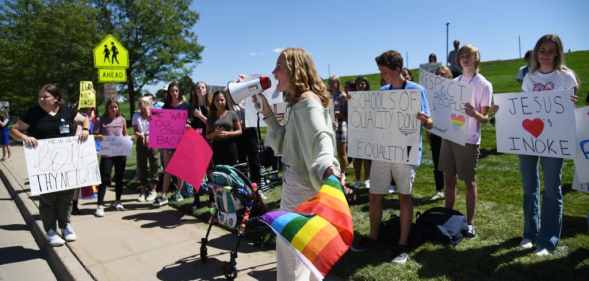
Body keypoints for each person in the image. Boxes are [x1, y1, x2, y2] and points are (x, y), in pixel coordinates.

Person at [255, 48, 342, 281]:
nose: (274, 72)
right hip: (300, 186)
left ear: (294, 70)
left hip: (301, 191)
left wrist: (329, 169)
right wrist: (266, 110)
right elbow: (286, 143)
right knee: (306, 256)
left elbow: (322, 139)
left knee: (291, 256)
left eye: (279, 67)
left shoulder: (307, 103)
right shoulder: (298, 103)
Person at [351, 50, 433, 265]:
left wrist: (424, 120)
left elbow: (430, 122)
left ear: (398, 70)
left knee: (404, 196)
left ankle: (403, 244)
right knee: (375, 195)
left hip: (405, 153)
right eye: (381, 72)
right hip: (383, 151)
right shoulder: (383, 91)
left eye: (385, 72)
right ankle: (373, 237)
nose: (383, 76)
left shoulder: (417, 90)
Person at [517, 34, 578, 255]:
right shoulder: (529, 78)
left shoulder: (566, 77)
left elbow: (570, 112)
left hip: (554, 139)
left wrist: (571, 104)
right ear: (536, 52)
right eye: (541, 50)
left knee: (552, 188)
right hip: (529, 139)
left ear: (557, 53)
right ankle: (529, 234)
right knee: (529, 186)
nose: (545, 55)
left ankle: (548, 239)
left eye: (550, 51)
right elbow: (522, 108)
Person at [11, 83, 89, 246]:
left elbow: (84, 119)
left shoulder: (66, 110)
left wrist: (85, 130)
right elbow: (15, 130)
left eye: (45, 96)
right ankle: (50, 230)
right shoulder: (33, 113)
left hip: (67, 161)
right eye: (40, 96)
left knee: (67, 196)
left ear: (56, 98)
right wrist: (24, 137)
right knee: (48, 198)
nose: (41, 99)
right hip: (43, 162)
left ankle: (65, 225)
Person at [440, 44, 493, 239]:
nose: (464, 57)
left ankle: (470, 223)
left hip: (469, 139)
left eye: (468, 55)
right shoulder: (454, 83)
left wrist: (475, 113)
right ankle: (447, 216)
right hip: (450, 136)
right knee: (449, 180)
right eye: (462, 54)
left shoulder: (484, 84)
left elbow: (486, 118)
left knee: (469, 183)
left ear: (477, 58)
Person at [153, 81, 191, 207]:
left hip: (182, 140)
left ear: (179, 92)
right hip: (169, 141)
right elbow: (162, 125)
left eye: (176, 91)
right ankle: (163, 194)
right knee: (168, 168)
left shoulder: (186, 105)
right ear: (168, 93)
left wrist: (188, 125)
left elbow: (193, 122)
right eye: (171, 91)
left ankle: (178, 193)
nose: (174, 93)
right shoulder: (165, 107)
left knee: (179, 168)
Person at [94, 97, 128, 216]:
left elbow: (125, 134)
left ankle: (118, 201)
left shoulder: (122, 119)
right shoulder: (101, 119)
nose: (113, 109)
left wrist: (126, 140)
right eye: (111, 107)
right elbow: (96, 134)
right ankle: (100, 204)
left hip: (120, 151)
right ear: (107, 108)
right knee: (104, 177)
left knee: (119, 177)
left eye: (115, 107)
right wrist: (101, 137)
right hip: (107, 151)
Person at [429, 66, 454, 200]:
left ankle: (450, 188)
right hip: (436, 131)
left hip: (451, 131)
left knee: (451, 162)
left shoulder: (456, 90)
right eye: (437, 74)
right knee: (437, 161)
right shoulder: (431, 92)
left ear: (449, 75)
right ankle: (439, 189)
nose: (440, 76)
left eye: (443, 74)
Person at [133, 96, 159, 203]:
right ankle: (143, 190)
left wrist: (149, 116)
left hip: (153, 139)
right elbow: (135, 130)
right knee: (141, 164)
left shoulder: (155, 114)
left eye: (145, 104)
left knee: (154, 163)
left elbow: (158, 127)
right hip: (141, 141)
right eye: (141, 105)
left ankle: (153, 189)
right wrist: (142, 135)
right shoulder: (136, 115)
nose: (143, 107)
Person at [207, 90, 242, 165]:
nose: (219, 102)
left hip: (230, 147)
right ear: (213, 102)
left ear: (226, 100)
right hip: (216, 148)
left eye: (222, 100)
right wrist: (215, 133)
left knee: (231, 171)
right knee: (219, 172)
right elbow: (208, 135)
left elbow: (240, 131)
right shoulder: (211, 116)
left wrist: (228, 133)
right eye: (217, 100)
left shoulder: (232, 114)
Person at [352, 76, 372, 189]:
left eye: (364, 83)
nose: (361, 85)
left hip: (368, 130)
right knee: (356, 157)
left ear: (367, 85)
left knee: (367, 157)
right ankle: (357, 179)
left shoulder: (372, 97)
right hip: (356, 130)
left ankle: (367, 179)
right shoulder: (351, 97)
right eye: (359, 83)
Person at [329, 76, 350, 176]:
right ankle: (336, 172)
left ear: (338, 83)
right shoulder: (327, 95)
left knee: (342, 153)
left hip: (341, 125)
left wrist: (339, 114)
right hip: (330, 126)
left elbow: (347, 114)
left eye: (335, 82)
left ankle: (344, 173)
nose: (333, 84)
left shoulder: (343, 96)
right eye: (331, 82)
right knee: (332, 152)